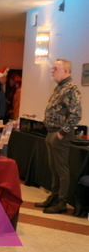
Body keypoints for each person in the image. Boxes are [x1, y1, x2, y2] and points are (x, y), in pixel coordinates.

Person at [34, 59, 82, 214]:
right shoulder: (60, 87)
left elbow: (76, 114)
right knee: (53, 168)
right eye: (52, 68)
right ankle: (54, 196)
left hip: (60, 134)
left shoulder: (71, 88)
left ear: (66, 71)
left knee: (61, 169)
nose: (52, 71)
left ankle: (62, 202)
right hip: (51, 132)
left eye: (56, 68)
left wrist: (61, 133)